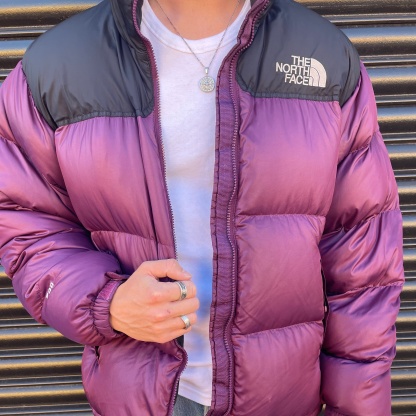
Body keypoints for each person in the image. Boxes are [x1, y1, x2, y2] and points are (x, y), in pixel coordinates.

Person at [0, 0, 404, 414]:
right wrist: (106, 303)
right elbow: (24, 221)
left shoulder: (323, 56)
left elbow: (364, 263)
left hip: (281, 397)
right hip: (140, 395)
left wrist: (358, 407)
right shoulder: (59, 66)